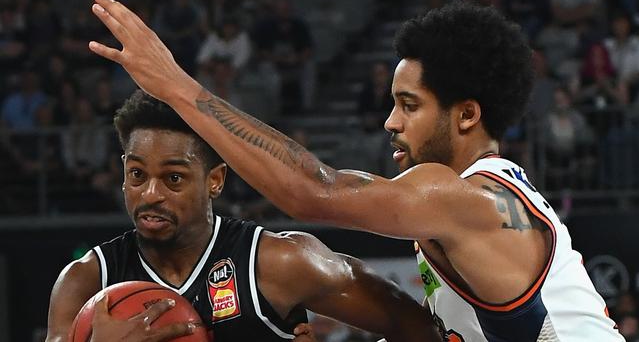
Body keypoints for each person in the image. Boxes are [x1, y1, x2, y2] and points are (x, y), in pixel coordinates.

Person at [88, 0, 624, 341]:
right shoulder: (482, 200)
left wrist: (177, 87)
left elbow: (313, 191)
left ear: (466, 116)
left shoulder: (458, 197)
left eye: (410, 105)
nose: (391, 121)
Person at [45, 90, 438, 342]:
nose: (150, 194)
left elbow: (418, 329)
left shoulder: (280, 262)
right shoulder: (86, 282)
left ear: (214, 180)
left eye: (173, 178)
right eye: (137, 175)